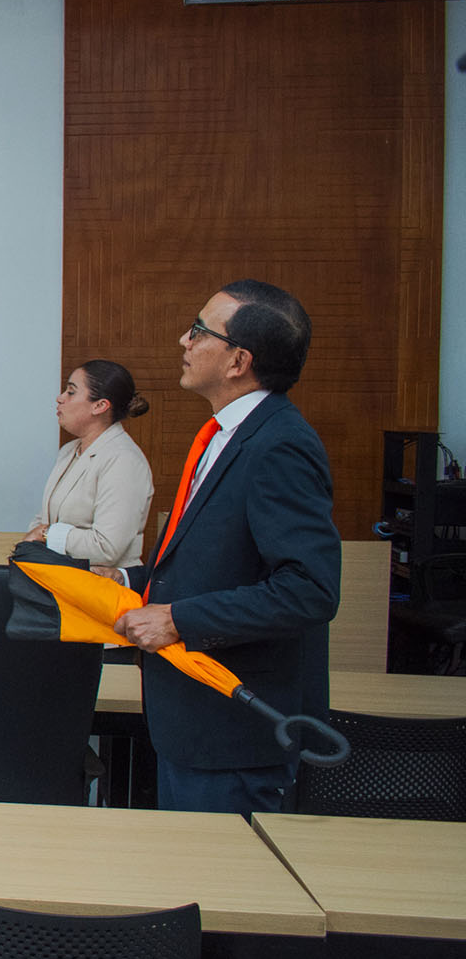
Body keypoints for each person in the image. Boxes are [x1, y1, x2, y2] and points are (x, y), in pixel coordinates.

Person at [110, 279, 340, 816]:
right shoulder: (230, 435)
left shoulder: (280, 444)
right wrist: (127, 583)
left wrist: (178, 620)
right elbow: (210, 563)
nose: (182, 341)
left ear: (238, 360)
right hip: (194, 722)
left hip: (235, 734)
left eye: (198, 331)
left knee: (218, 896)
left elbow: (309, 590)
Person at [21, 359, 153, 569]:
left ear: (100, 406)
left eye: (71, 392)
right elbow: (44, 517)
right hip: (59, 576)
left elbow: (107, 547)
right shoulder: (69, 451)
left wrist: (46, 534)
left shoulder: (124, 460)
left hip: (100, 588)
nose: (60, 398)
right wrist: (39, 534)